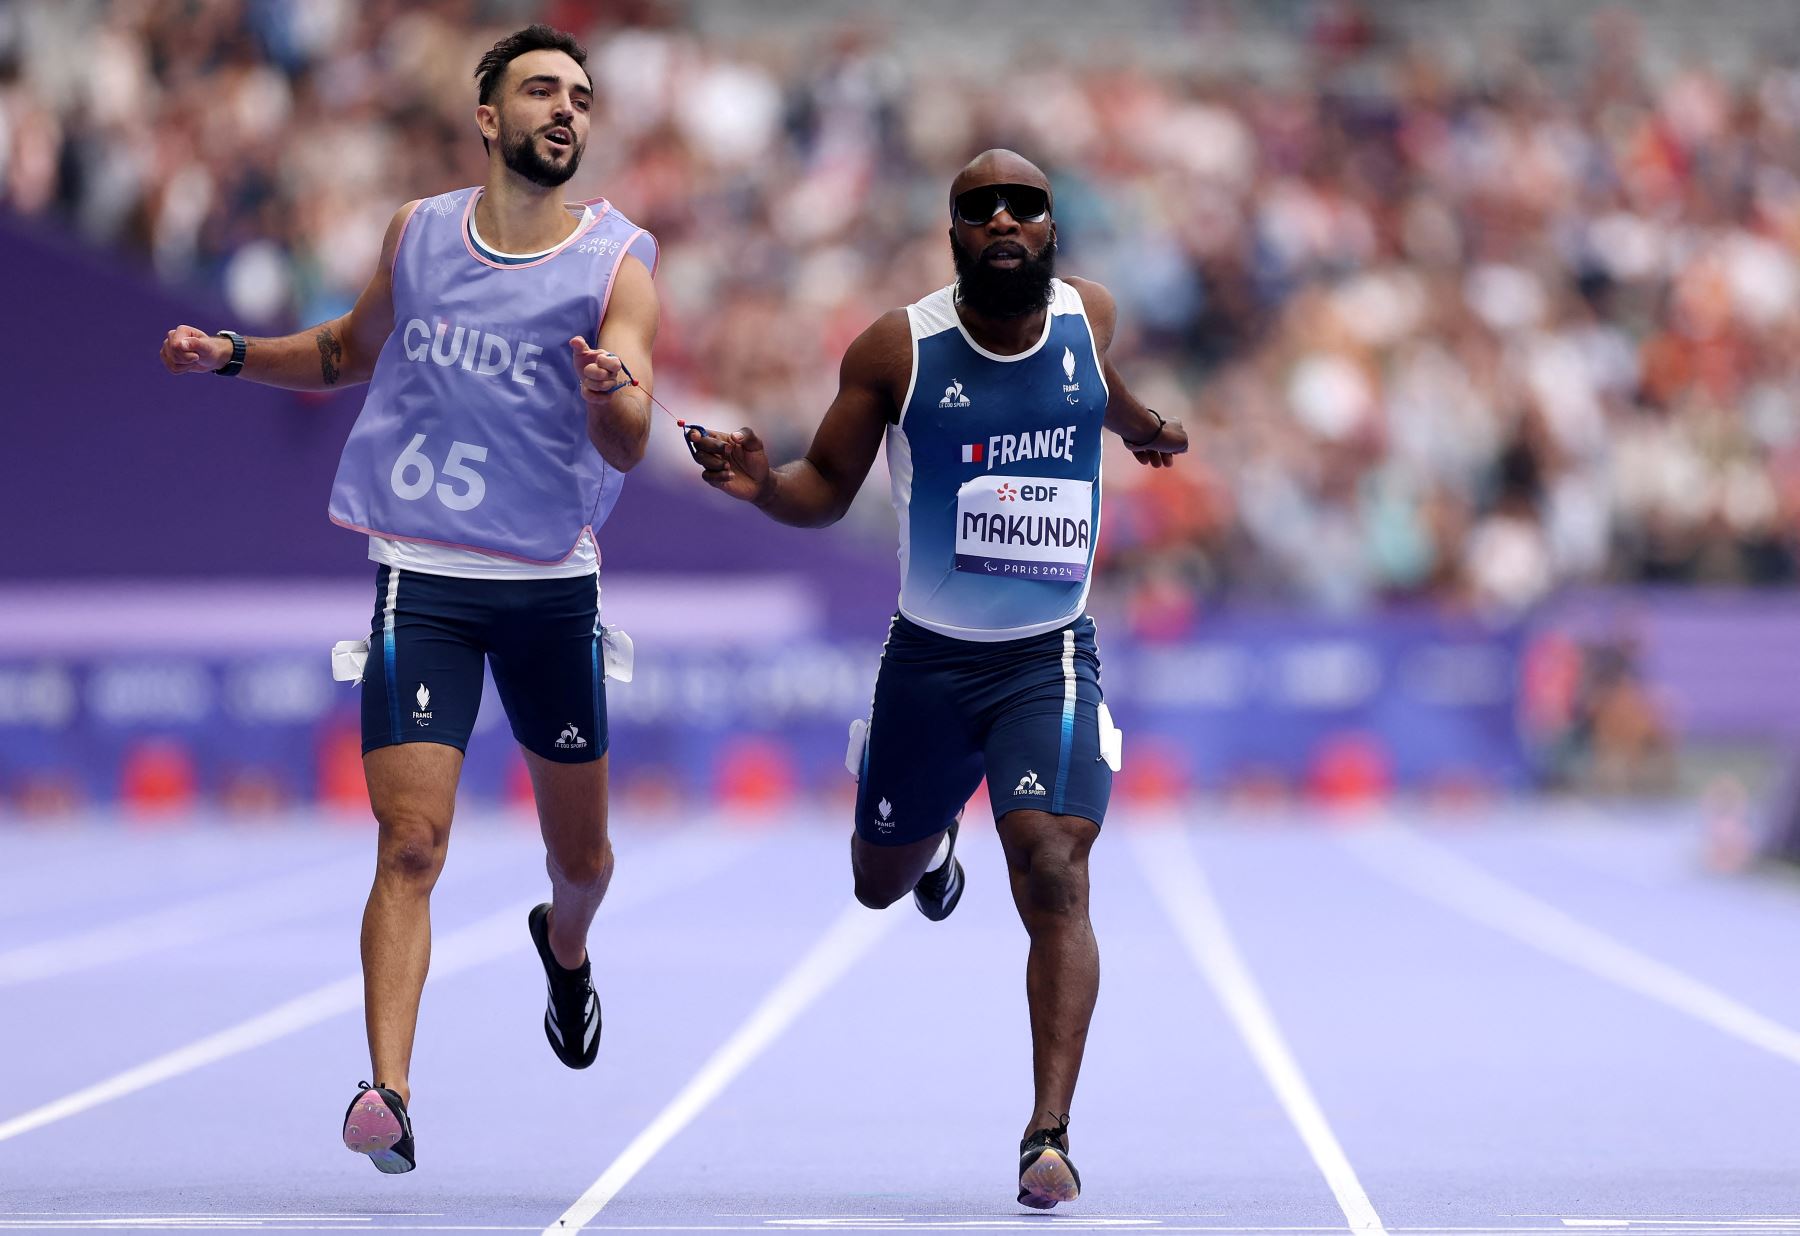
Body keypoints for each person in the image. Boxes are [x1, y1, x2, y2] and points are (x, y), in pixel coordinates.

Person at [157, 24, 659, 1175]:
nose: (567, 110)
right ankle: (388, 1087)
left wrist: (610, 394)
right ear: (489, 117)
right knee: (412, 842)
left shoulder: (618, 261)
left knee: (580, 863)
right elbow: (345, 349)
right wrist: (234, 354)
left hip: (548, 592)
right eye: (542, 90)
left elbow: (630, 442)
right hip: (422, 576)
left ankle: (566, 954)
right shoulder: (421, 234)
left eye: (581, 95)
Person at [687, 149, 1186, 1209]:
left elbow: (1104, 394)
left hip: (1045, 656)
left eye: (1026, 206)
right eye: (979, 208)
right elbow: (824, 487)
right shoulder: (895, 351)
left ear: (1053, 227)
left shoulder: (1088, 317)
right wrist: (759, 484)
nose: (1004, 220)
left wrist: (1145, 434)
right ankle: (935, 838)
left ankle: (1046, 1135)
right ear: (952, 232)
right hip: (928, 662)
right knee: (876, 882)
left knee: (1054, 866)